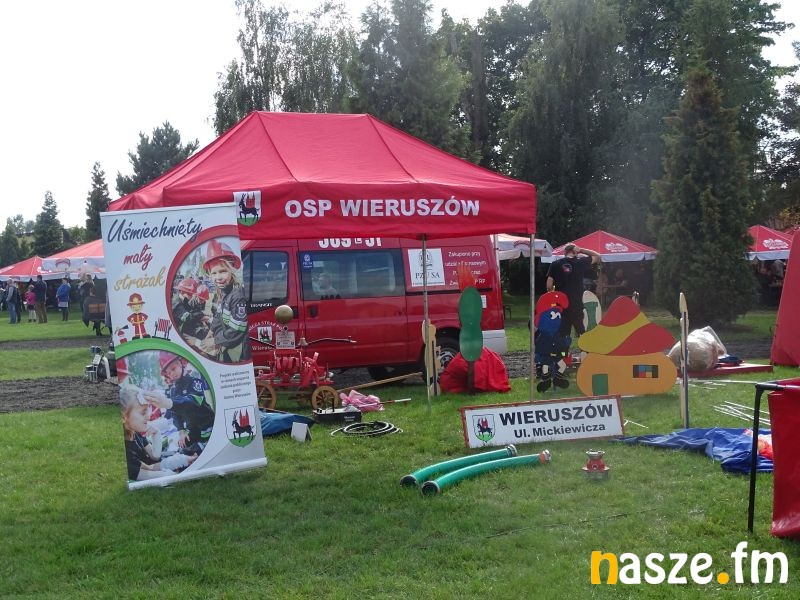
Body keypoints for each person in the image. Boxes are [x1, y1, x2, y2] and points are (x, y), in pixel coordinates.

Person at [120, 384, 197, 482]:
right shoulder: (125, 451)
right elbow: (148, 470)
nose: (148, 416)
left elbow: (155, 456)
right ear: (123, 417)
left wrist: (156, 434)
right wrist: (176, 469)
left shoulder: (136, 434)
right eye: (143, 412)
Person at [144, 353, 215, 453]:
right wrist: (181, 431)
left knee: (197, 451)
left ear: (182, 363)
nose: (172, 374)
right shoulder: (173, 390)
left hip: (206, 425)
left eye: (173, 369)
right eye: (168, 373)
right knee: (181, 449)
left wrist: (169, 403)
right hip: (192, 428)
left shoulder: (195, 382)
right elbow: (175, 414)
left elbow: (193, 401)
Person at [198, 239, 250, 362]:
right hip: (228, 344)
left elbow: (237, 329)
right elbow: (219, 315)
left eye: (223, 271)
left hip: (240, 351)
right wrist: (211, 331)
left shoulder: (237, 296)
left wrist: (215, 340)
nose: (218, 277)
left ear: (232, 270)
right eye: (214, 273)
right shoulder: (224, 292)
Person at [546, 243, 600, 338]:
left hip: (561, 303)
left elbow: (549, 285)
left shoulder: (555, 264)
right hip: (576, 302)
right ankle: (584, 346)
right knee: (580, 329)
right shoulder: (581, 262)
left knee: (563, 332)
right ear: (575, 252)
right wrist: (581, 250)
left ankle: (563, 347)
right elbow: (597, 256)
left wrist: (552, 295)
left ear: (565, 252)